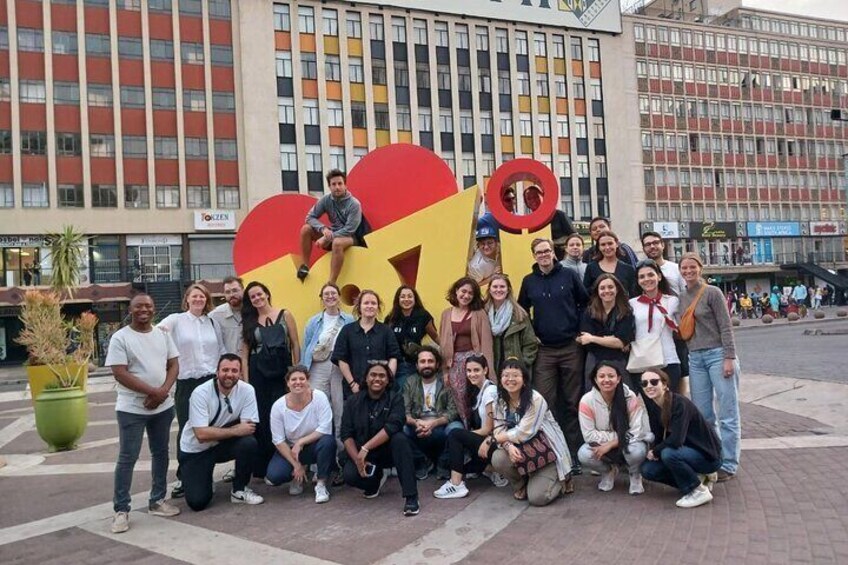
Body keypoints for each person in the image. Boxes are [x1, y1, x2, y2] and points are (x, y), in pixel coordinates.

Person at [106, 294, 180, 534]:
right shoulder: (121, 337)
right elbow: (120, 372)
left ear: (153, 308)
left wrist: (163, 392)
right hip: (131, 408)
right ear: (131, 309)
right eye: (139, 306)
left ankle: (157, 500)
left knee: (161, 453)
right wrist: (154, 392)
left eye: (148, 305)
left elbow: (174, 364)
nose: (144, 309)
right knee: (128, 457)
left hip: (163, 406)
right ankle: (121, 510)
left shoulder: (163, 334)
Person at [518, 237, 588, 472]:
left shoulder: (568, 275)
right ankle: (551, 451)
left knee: (572, 401)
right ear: (534, 255)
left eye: (547, 251)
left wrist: (579, 330)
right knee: (544, 402)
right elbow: (522, 310)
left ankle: (574, 454)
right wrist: (531, 334)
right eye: (539, 252)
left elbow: (584, 302)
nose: (544, 255)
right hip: (545, 350)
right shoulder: (529, 281)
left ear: (554, 253)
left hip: (570, 347)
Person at [157, 283, 225, 498]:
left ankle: (206, 475)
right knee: (187, 429)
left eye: (202, 297)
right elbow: (158, 333)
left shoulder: (212, 322)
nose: (198, 300)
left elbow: (221, 349)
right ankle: (184, 477)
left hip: (211, 382)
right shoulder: (176, 320)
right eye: (194, 296)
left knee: (211, 428)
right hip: (187, 383)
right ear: (187, 299)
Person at [679, 253, 741, 482]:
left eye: (692, 267)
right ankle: (713, 458)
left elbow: (726, 327)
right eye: (684, 268)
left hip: (717, 355)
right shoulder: (681, 296)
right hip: (695, 358)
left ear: (700, 268)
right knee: (703, 414)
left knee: (728, 412)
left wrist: (729, 357)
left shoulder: (712, 293)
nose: (688, 271)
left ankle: (729, 464)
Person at [179, 354, 263, 511]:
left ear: (240, 373)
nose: (229, 374)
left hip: (220, 445)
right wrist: (235, 430)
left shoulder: (247, 390)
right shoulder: (200, 393)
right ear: (216, 372)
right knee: (198, 503)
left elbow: (248, 428)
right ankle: (200, 477)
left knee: (248, 442)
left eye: (234, 370)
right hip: (196, 450)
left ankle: (239, 490)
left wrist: (237, 431)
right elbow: (201, 435)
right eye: (225, 370)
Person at [340, 361, 421, 516]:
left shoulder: (395, 399)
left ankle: (411, 497)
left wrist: (366, 448)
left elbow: (393, 426)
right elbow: (346, 433)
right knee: (350, 474)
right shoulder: (353, 401)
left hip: (388, 451)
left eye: (382, 376)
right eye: (373, 375)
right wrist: (358, 459)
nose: (377, 379)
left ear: (388, 380)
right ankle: (374, 482)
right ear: (366, 378)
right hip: (364, 454)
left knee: (400, 439)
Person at [491, 360, 573, 506]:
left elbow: (523, 433)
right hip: (521, 452)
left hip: (547, 453)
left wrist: (493, 439)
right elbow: (499, 428)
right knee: (498, 458)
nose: (510, 379)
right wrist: (508, 446)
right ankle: (522, 485)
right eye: (505, 375)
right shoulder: (499, 400)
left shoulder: (535, 399)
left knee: (538, 499)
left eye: (515, 375)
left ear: (524, 380)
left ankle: (562, 481)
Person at [241, 281, 300, 478]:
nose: (257, 299)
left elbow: (295, 344)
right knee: (263, 416)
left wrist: (295, 371)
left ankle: (287, 458)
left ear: (267, 293)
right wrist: (247, 382)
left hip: (282, 369)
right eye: (253, 297)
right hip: (259, 372)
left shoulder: (285, 314)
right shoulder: (249, 321)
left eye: (260, 294)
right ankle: (262, 464)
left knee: (285, 412)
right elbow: (244, 353)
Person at [639, 369, 721, 508]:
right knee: (648, 470)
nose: (649, 386)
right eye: (644, 383)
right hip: (686, 453)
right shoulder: (655, 406)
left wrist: (656, 451)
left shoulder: (679, 403)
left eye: (654, 381)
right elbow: (658, 437)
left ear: (664, 384)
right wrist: (653, 452)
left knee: (668, 453)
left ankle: (698, 491)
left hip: (708, 456)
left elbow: (677, 440)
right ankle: (697, 481)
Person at [433, 354, 509, 499]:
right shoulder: (478, 390)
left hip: (495, 442)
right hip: (486, 442)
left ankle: (456, 485)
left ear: (485, 370)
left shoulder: (490, 391)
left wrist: (467, 436)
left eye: (476, 370)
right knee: (462, 468)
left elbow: (488, 428)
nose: (472, 374)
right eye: (469, 371)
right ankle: (494, 470)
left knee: (455, 434)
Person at [577, 361, 650, 495]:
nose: (606, 380)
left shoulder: (630, 396)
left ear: (618, 379)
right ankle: (608, 471)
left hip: (630, 443)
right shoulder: (586, 401)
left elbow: (637, 431)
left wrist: (612, 443)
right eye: (602, 376)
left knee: (637, 451)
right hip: (605, 444)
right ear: (595, 379)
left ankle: (635, 474)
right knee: (584, 454)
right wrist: (617, 437)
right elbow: (589, 435)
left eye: (611, 376)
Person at [266, 366, 335, 504]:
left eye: (302, 379)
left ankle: (321, 484)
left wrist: (301, 442)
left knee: (328, 442)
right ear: (287, 383)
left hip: (314, 444)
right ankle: (297, 474)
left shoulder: (319, 397)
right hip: (290, 449)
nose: (298, 382)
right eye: (294, 379)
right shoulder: (278, 406)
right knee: (275, 475)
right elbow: (278, 440)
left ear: (308, 381)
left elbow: (325, 428)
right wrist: (296, 464)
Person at [301, 283, 354, 449]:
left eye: (333, 293)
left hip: (340, 366)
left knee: (340, 409)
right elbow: (306, 346)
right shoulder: (313, 321)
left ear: (339, 296)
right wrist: (303, 371)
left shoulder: (349, 320)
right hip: (318, 366)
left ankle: (341, 454)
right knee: (317, 407)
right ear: (322, 298)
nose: (330, 296)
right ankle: (319, 455)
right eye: (326, 294)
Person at [438, 277, 494, 423]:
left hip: (473, 362)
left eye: (470, 293)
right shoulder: (446, 314)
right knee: (458, 398)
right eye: (463, 291)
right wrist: (444, 371)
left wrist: (487, 369)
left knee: (474, 397)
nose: (466, 296)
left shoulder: (479, 313)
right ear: (456, 291)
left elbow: (487, 343)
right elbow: (443, 344)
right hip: (453, 364)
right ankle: (465, 428)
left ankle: (480, 428)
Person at [402, 346, 462, 480]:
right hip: (418, 426)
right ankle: (422, 462)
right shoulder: (410, 382)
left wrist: (433, 423)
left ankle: (444, 463)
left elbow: (453, 411)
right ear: (417, 365)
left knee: (456, 428)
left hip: (440, 425)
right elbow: (404, 412)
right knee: (402, 429)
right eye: (422, 362)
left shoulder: (446, 381)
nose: (426, 365)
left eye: (430, 361)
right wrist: (417, 422)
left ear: (437, 364)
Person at [297, 169, 364, 284]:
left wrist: (327, 237)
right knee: (306, 229)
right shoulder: (326, 200)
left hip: (351, 237)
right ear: (329, 186)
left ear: (345, 185)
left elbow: (350, 229)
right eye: (333, 184)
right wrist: (323, 229)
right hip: (332, 234)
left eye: (340, 183)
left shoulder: (354, 204)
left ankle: (331, 283)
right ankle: (305, 266)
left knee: (337, 242)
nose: (337, 187)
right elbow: (309, 217)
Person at [333, 289, 401, 397]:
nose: (370, 306)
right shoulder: (347, 331)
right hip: (354, 391)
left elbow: (393, 357)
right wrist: (352, 384)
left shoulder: (386, 331)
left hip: (381, 391)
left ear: (378, 307)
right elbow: (341, 359)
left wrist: (387, 381)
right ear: (359, 307)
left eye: (373, 303)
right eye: (366, 303)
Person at [629, 259, 681, 391]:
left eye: (651, 275)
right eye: (642, 277)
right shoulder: (631, 304)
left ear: (659, 276)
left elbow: (681, 327)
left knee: (670, 405)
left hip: (669, 359)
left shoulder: (672, 301)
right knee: (652, 409)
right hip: (643, 360)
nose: (647, 279)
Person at [576, 274, 635, 387]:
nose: (606, 291)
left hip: (619, 361)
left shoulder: (626, 312)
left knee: (623, 397)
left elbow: (621, 342)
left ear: (617, 289)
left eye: (610, 287)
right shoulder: (589, 312)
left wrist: (593, 338)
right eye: (602, 288)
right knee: (593, 398)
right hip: (594, 361)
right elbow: (585, 340)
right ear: (597, 291)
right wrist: (611, 339)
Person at [384, 285, 439, 394]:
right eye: (403, 297)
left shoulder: (423, 316)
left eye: (410, 296)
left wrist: (449, 350)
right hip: (396, 364)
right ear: (398, 300)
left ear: (415, 299)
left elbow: (436, 337)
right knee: (399, 395)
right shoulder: (391, 318)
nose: (406, 299)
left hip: (416, 364)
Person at [484, 273, 538, 373]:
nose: (498, 290)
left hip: (514, 370)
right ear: (489, 290)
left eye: (502, 286)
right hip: (491, 369)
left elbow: (530, 343)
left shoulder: (519, 314)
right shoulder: (483, 314)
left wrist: (523, 364)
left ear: (508, 289)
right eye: (495, 286)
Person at [522, 184, 575, 261]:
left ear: (543, 196)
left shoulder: (559, 214)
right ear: (526, 203)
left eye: (536, 196)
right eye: (529, 198)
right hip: (541, 260)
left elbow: (574, 236)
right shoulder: (528, 222)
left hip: (563, 258)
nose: (533, 200)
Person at [583, 230, 637, 298]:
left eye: (610, 243)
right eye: (603, 244)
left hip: (622, 308)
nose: (607, 247)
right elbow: (585, 293)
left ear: (617, 244)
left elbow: (633, 295)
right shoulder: (591, 267)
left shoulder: (628, 269)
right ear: (599, 247)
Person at [640, 231, 684, 296]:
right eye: (648, 244)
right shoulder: (640, 272)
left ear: (663, 245)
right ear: (643, 249)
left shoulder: (677, 268)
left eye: (655, 243)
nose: (652, 246)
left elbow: (686, 294)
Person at [210, 276, 245, 356]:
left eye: (235, 290)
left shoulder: (254, 311)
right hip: (227, 365)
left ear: (243, 290)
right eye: (228, 292)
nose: (232, 295)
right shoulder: (215, 316)